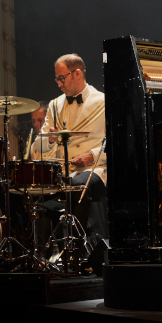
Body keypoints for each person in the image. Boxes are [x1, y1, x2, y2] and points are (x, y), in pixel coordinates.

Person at [32, 54, 107, 237]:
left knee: (78, 185)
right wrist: (49, 139)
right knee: (27, 191)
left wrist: (91, 154)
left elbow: (115, 142)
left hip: (94, 168)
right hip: (63, 171)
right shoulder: (55, 104)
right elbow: (38, 147)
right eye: (57, 79)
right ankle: (41, 255)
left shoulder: (103, 101)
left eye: (61, 78)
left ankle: (75, 245)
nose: (59, 83)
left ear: (78, 74)